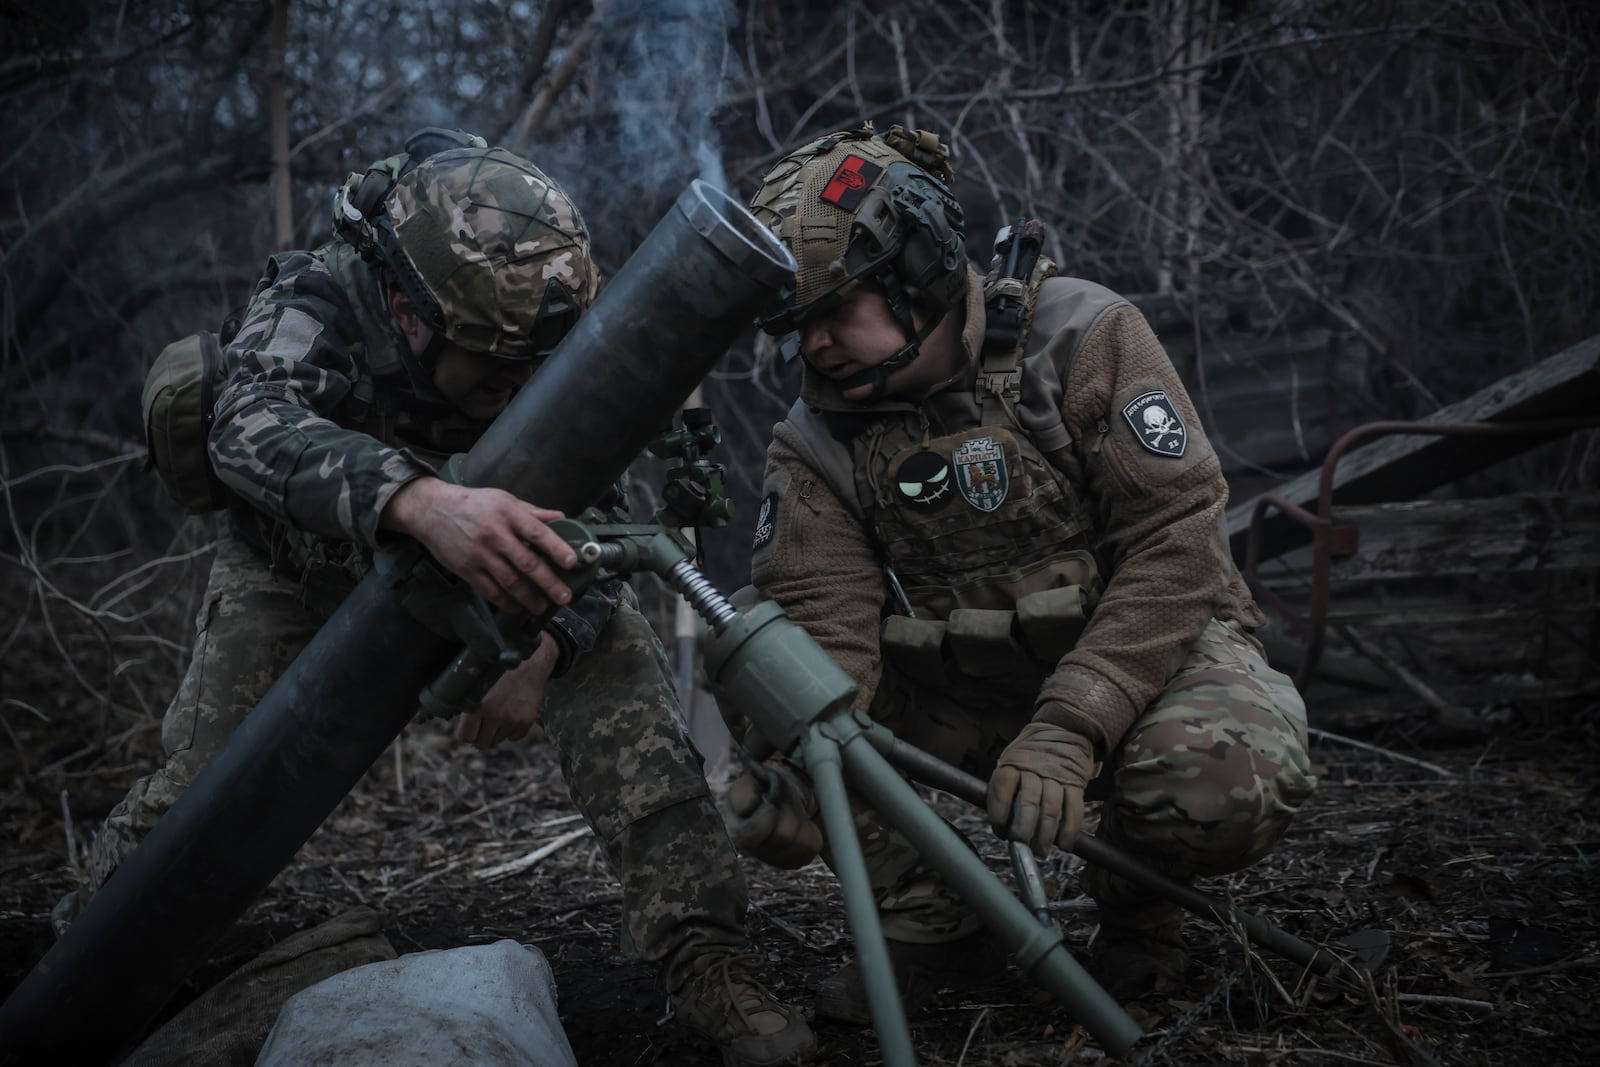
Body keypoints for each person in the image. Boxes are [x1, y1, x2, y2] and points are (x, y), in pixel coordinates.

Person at [53, 131, 815, 1067]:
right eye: (491, 367)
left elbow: (598, 491)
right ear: (409, 313)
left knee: (633, 713)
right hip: (301, 571)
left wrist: (551, 641)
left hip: (504, 554)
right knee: (202, 794)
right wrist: (420, 500)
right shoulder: (321, 295)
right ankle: (77, 959)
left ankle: (706, 957)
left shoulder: (541, 312)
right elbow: (246, 425)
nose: (513, 386)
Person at [726, 123, 1317, 1020]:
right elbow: (828, 645)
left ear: (917, 268)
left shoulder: (1077, 337)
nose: (811, 348)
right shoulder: (812, 445)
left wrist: (1075, 724)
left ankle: (1138, 905)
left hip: (1140, 667)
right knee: (760, 653)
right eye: (791, 327)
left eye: (831, 311)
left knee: (1226, 772)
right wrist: (802, 786)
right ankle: (935, 926)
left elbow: (1177, 540)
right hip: (958, 696)